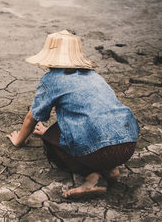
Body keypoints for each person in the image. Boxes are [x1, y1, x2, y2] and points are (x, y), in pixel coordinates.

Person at [7, 30, 139, 199]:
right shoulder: (93, 75)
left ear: (50, 57)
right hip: (128, 144)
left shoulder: (52, 79)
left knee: (51, 143)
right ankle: (111, 168)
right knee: (69, 134)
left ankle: (92, 177)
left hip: (97, 151)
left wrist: (19, 140)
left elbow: (32, 117)